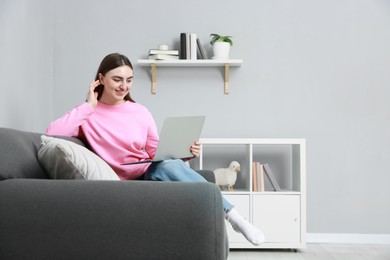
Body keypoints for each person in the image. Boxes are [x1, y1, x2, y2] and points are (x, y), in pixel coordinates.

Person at [46, 53, 265, 246]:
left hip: (148, 174)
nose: (124, 86)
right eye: (117, 79)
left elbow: (157, 153)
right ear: (100, 79)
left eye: (129, 80)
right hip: (119, 184)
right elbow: (52, 133)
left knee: (166, 165)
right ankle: (233, 216)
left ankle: (233, 216)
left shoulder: (139, 112)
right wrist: (88, 105)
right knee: (166, 167)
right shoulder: (87, 114)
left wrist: (186, 153)